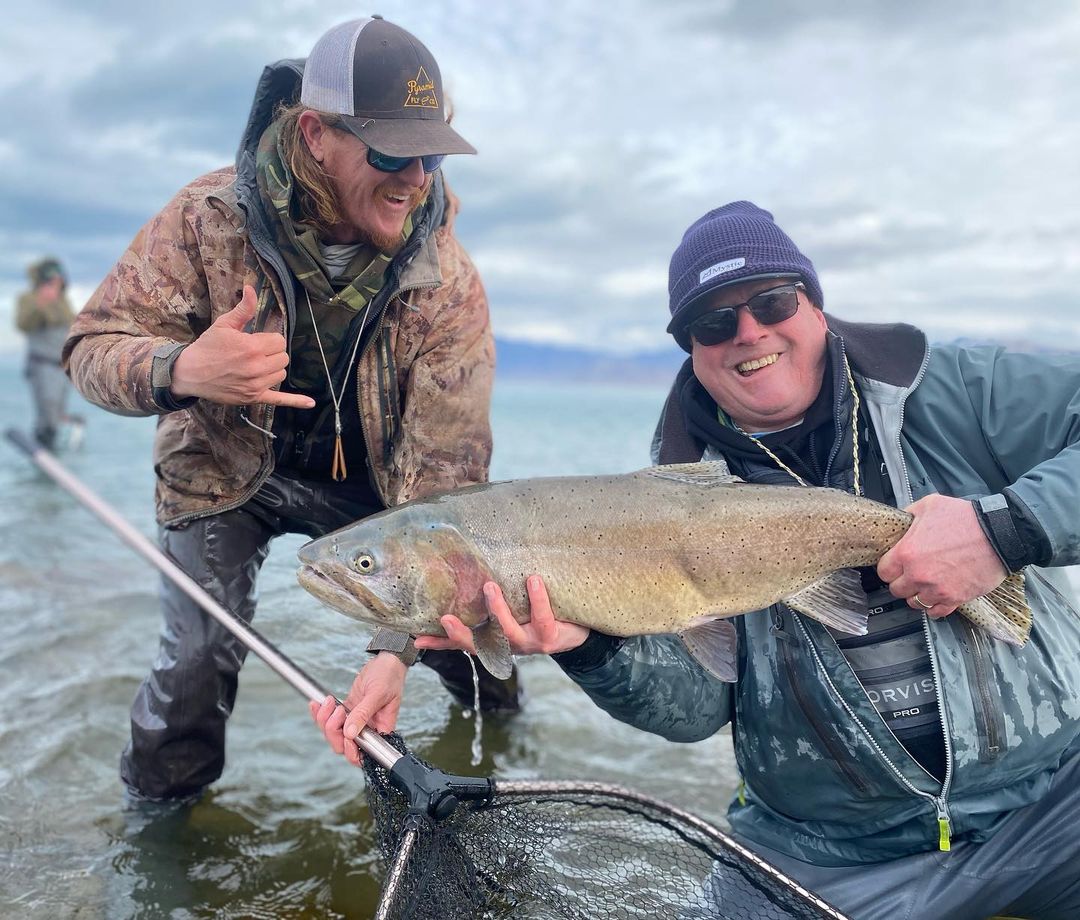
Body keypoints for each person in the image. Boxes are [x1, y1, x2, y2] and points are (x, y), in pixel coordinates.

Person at [323, 201, 1080, 918]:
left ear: (814, 303)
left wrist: (1003, 532)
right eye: (714, 320)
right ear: (690, 345)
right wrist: (589, 649)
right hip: (829, 852)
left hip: (1055, 801)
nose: (748, 331)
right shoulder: (665, 491)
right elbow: (696, 705)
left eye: (774, 302)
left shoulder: (954, 391)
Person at [63, 15, 521, 805]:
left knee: (470, 641)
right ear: (315, 133)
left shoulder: (446, 279)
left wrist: (392, 645)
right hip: (224, 474)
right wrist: (183, 369)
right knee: (195, 660)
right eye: (389, 152)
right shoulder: (205, 218)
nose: (415, 177)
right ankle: (159, 831)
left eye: (431, 153)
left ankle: (505, 751)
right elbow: (90, 348)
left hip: (378, 484)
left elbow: (445, 483)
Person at [16, 257, 82, 449]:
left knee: (57, 413)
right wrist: (41, 303)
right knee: (48, 416)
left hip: (61, 365)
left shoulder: (63, 302)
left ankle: (50, 449)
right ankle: (42, 447)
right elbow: (24, 324)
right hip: (42, 364)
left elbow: (71, 328)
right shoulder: (29, 299)